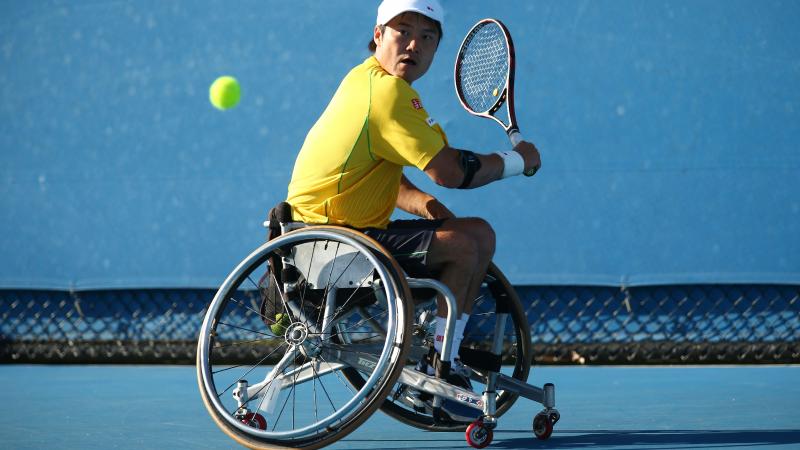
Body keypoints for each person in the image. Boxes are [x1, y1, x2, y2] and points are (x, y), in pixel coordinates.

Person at [285, 0, 541, 377]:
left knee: (476, 234)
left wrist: (426, 205)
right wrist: (518, 160)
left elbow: (379, 175)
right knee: (468, 242)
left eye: (426, 37)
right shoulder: (389, 95)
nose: (413, 45)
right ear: (378, 35)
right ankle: (442, 363)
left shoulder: (363, 80)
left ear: (436, 49)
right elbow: (452, 172)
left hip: (322, 237)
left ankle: (444, 353)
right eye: (402, 31)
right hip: (334, 242)